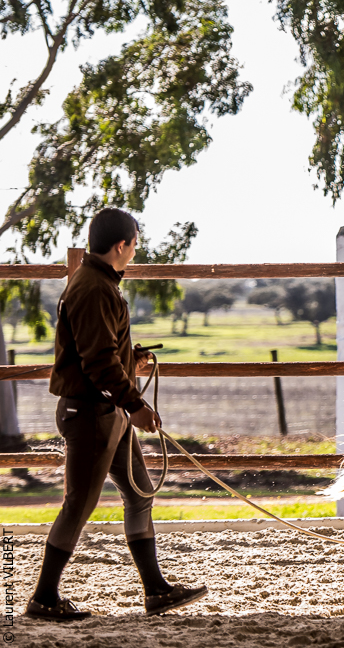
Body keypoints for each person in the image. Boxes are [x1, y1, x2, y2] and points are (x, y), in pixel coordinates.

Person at [25, 209, 208, 620]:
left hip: (107, 410)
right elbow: (97, 362)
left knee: (140, 494)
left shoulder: (97, 282)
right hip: (93, 412)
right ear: (121, 245)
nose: (136, 251)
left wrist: (130, 359)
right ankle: (43, 597)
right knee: (79, 503)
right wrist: (135, 404)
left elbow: (102, 350)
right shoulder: (94, 288)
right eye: (135, 243)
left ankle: (156, 590)